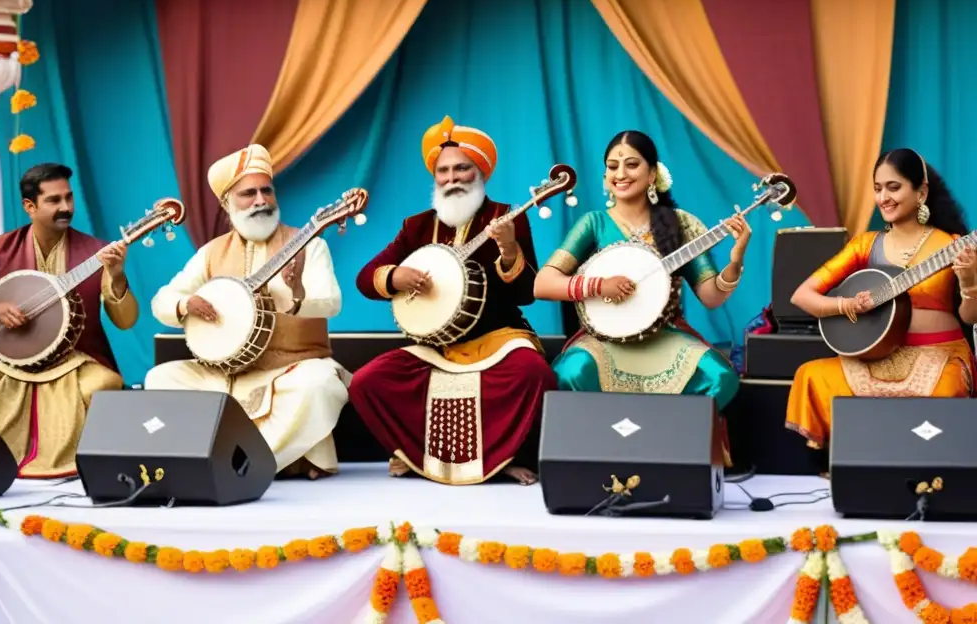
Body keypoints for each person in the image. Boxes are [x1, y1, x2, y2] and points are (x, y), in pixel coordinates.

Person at [349, 116, 557, 486]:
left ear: (481, 172)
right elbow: (366, 278)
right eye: (443, 171)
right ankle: (418, 457)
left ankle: (500, 460)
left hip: (498, 340)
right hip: (437, 347)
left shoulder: (508, 218)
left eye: (462, 168)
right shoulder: (416, 226)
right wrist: (396, 276)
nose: (452, 178)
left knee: (534, 374)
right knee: (368, 381)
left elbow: (526, 293)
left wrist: (508, 247)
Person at [146, 144, 350, 479]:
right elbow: (162, 302)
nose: (260, 200)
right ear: (227, 204)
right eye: (248, 193)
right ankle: (215, 459)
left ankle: (243, 465)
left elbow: (331, 302)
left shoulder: (308, 244)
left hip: (291, 368)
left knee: (319, 385)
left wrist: (297, 291)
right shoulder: (211, 253)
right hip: (227, 372)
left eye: (266, 191)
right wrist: (185, 305)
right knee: (160, 379)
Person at [533, 131, 744, 424]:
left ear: (652, 173)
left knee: (720, 377)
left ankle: (661, 439)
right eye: (612, 166)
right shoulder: (593, 223)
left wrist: (736, 260)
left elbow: (710, 296)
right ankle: (604, 445)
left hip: (665, 335)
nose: (620, 174)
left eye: (632, 164)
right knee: (570, 372)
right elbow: (542, 284)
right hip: (605, 340)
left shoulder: (679, 223)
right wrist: (598, 286)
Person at [0, 163, 137, 477]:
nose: (66, 207)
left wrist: (117, 275)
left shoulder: (96, 251)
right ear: (29, 206)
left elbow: (126, 320)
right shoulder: (0, 248)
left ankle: (88, 466)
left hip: (75, 362)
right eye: (54, 200)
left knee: (103, 385)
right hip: (14, 364)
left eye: (68, 198)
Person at [786, 149, 976, 449]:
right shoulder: (865, 244)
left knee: (945, 389)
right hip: (882, 353)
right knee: (812, 375)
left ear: (921, 191)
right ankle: (857, 461)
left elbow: (970, 317)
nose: (884, 197)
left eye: (894, 187)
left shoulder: (953, 245)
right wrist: (848, 305)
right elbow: (802, 296)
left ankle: (925, 462)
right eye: (877, 189)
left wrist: (970, 283)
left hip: (940, 354)